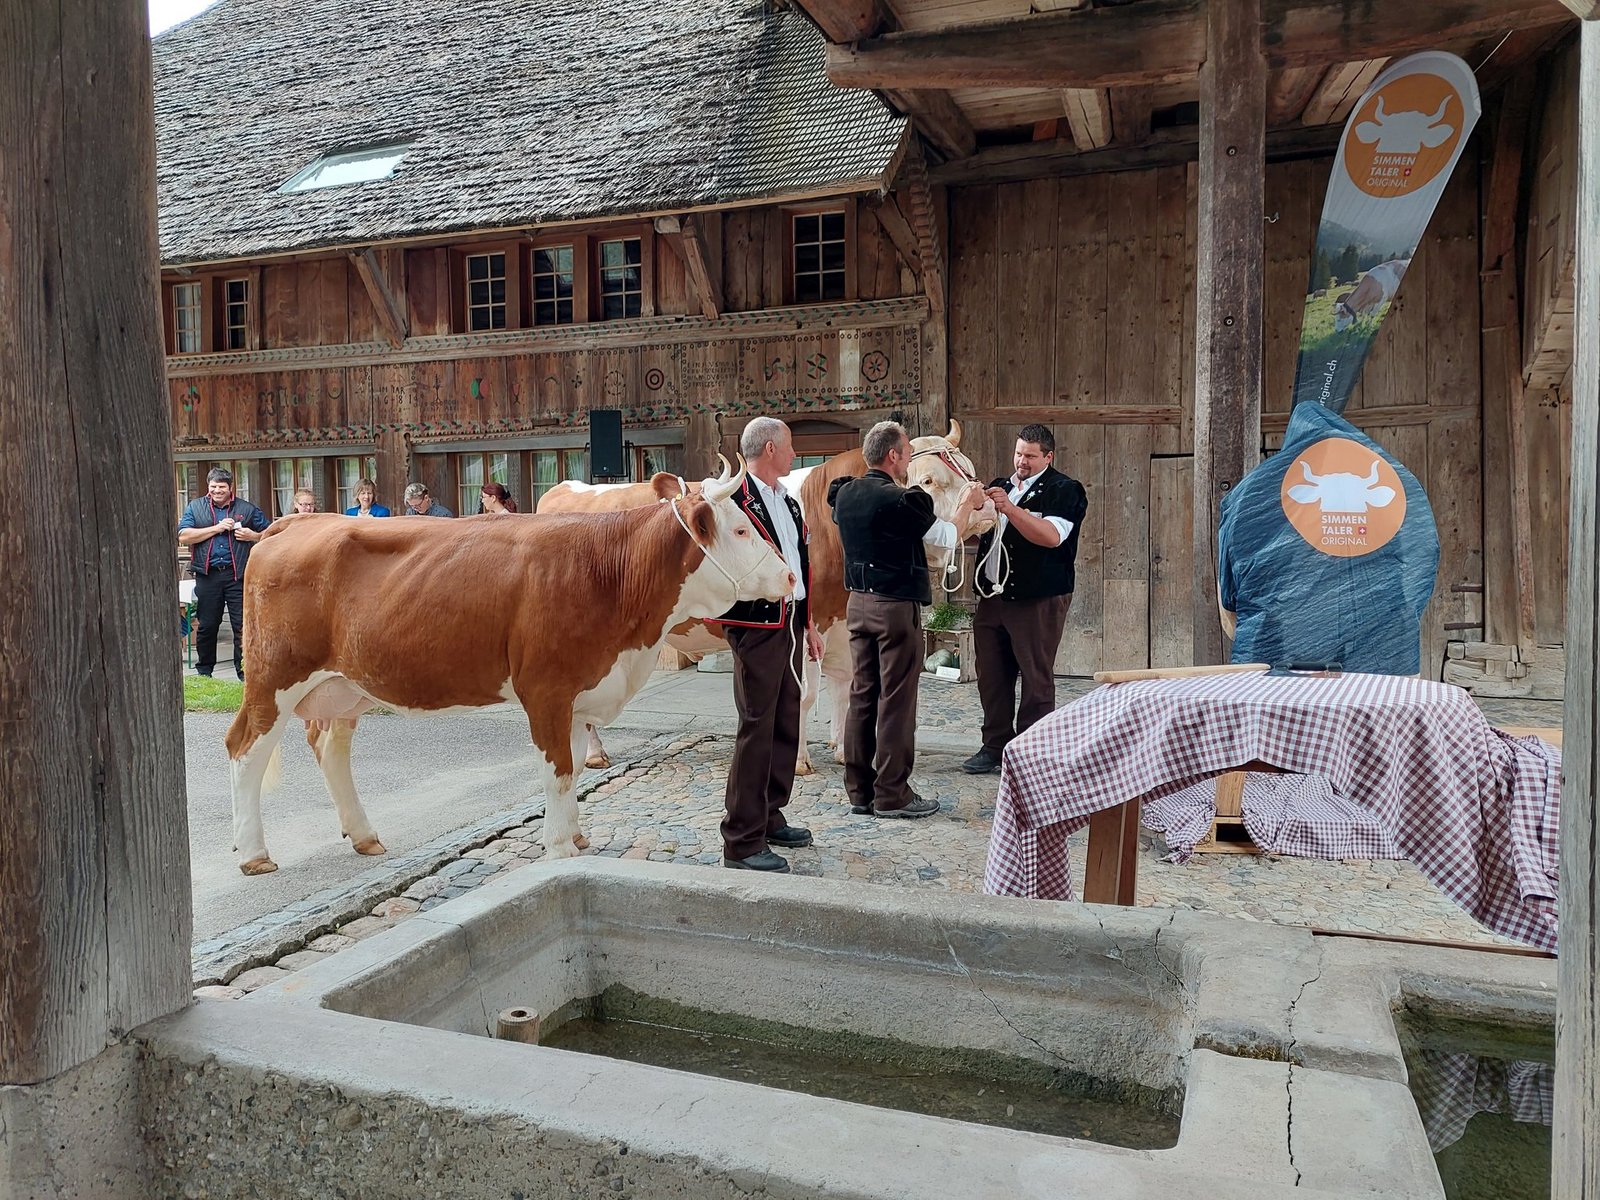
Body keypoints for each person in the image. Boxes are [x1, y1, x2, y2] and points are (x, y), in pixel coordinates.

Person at [829, 421, 987, 819]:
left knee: (862, 696)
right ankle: (892, 793)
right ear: (893, 456)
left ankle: (859, 790)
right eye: (907, 453)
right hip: (895, 608)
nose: (910, 461)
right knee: (896, 701)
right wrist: (968, 502)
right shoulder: (904, 500)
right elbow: (947, 536)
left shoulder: (845, 493)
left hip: (858, 605)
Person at [717, 417, 824, 873]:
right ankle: (741, 840)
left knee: (785, 719)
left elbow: (800, 563)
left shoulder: (788, 501)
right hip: (756, 624)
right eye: (790, 446)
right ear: (769, 448)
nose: (795, 454)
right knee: (756, 725)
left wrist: (809, 623)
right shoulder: (732, 500)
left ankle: (770, 814)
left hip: (791, 620)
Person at [962, 424, 1088, 775]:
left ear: (1048, 457)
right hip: (992, 596)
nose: (1022, 461)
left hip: (1037, 598)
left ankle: (1032, 752)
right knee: (991, 674)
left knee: (1035, 676)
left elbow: (1052, 536)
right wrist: (971, 509)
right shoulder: (1000, 485)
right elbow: (979, 532)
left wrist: (1010, 510)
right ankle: (995, 745)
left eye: (1031, 456)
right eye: (1019, 453)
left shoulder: (1065, 489)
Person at [177, 467, 270, 680]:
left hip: (238, 575)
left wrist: (254, 536)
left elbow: (272, 533)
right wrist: (216, 528)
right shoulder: (195, 507)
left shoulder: (246, 508)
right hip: (207, 575)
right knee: (207, 625)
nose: (217, 490)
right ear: (208, 486)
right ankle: (204, 672)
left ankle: (244, 673)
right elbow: (183, 536)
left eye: (221, 487)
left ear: (230, 488)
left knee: (242, 625)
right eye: (213, 486)